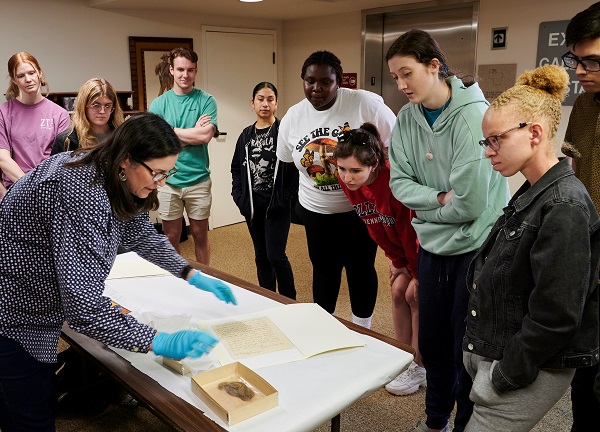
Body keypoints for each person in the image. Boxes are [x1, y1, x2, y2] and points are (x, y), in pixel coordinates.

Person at [0, 112, 236, 431]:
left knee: (35, 395)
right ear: (127, 160)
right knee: (32, 415)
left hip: (39, 303)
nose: (161, 183)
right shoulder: (82, 191)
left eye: (168, 173)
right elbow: (83, 307)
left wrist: (189, 272)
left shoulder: (108, 169)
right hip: (14, 312)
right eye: (157, 173)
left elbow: (139, 231)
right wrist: (157, 340)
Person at [462, 64, 600, 432]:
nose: (489, 151)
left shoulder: (564, 206)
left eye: (496, 140)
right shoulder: (533, 190)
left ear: (534, 133)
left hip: (522, 367)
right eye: (485, 141)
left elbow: (556, 316)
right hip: (496, 351)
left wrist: (505, 375)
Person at [386, 29, 510, 432]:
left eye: (408, 73)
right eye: (395, 77)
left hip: (473, 250)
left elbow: (472, 205)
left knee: (466, 351)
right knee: (434, 345)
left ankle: (465, 426)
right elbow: (399, 185)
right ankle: (436, 419)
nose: (401, 84)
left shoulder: (473, 115)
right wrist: (439, 200)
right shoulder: (406, 118)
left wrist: (424, 215)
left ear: (434, 65)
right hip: (432, 250)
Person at [276, 50, 396, 329]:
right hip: (316, 211)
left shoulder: (364, 103)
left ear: (339, 82)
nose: (316, 88)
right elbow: (285, 162)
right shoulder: (294, 116)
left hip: (360, 209)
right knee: (324, 270)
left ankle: (362, 329)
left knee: (361, 269)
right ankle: (325, 329)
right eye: (309, 81)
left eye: (325, 82)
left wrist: (382, 187)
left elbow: (396, 143)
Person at [334, 122, 423, 395]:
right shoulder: (349, 181)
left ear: (373, 165)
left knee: (414, 296)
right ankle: (402, 357)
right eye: (341, 169)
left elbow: (410, 230)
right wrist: (396, 261)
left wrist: (417, 272)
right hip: (401, 248)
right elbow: (375, 225)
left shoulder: (394, 181)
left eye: (355, 171)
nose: (347, 177)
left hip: (424, 246)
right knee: (397, 290)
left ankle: (420, 367)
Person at [560, 3, 600, 427]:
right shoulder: (585, 107)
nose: (579, 71)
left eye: (592, 61)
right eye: (577, 59)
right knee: (583, 372)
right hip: (589, 261)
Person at [149, 47, 218, 265]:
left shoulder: (206, 101)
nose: (184, 75)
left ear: (196, 71)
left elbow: (205, 136)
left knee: (200, 234)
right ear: (171, 70)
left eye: (190, 70)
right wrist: (191, 132)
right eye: (180, 69)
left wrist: (170, 131)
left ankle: (205, 278)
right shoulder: (158, 104)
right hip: (167, 181)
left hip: (198, 179)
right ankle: (176, 282)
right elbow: (158, 142)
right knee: (170, 237)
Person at [231, 82, 297, 299]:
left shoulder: (282, 132)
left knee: (276, 255)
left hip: (277, 205)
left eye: (270, 99)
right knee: (261, 256)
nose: (265, 104)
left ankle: (288, 300)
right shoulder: (245, 136)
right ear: (252, 103)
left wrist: (286, 197)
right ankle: (268, 298)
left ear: (276, 103)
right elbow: (236, 169)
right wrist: (239, 197)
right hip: (252, 206)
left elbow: (295, 168)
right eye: (260, 99)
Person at [0, 52, 70, 189]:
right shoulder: (4, 112)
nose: (28, 79)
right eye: (21, 76)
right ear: (14, 80)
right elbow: (3, 158)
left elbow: (62, 161)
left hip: (49, 188)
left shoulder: (60, 115)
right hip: (16, 190)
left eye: (31, 73)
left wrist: (41, 188)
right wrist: (30, 187)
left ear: (40, 73)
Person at [51, 77, 125, 154]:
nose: (102, 111)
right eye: (96, 105)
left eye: (107, 106)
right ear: (83, 106)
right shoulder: (66, 140)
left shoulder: (123, 136)